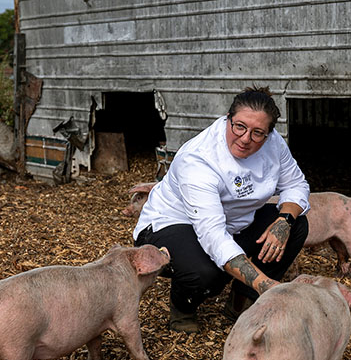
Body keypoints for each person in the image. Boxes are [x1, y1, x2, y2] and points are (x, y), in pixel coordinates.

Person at [133, 86, 311, 333]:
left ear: (269, 134)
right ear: (228, 119)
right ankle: (183, 306)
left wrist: (284, 222)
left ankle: (242, 299)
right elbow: (213, 235)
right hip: (172, 223)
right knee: (207, 273)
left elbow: (295, 184)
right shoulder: (198, 160)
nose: (245, 138)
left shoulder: (275, 145)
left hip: (233, 221)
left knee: (297, 224)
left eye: (258, 132)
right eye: (239, 126)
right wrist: (267, 285)